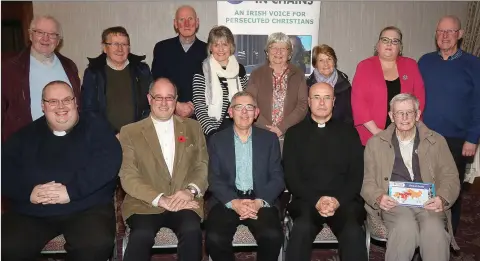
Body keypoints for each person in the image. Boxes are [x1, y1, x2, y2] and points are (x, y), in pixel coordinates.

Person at [1, 81, 122, 261]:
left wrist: (70, 191)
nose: (61, 107)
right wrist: (28, 192)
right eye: (53, 102)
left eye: (66, 100)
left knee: (95, 244)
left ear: (75, 102)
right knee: (7, 245)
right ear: (43, 105)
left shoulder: (97, 127)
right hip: (32, 212)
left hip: (86, 208)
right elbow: (4, 170)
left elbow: (109, 162)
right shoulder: (24, 136)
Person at [361, 93, 460, 260]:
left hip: (428, 203)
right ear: (391, 116)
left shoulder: (436, 141)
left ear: (418, 114)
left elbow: (450, 176)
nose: (405, 117)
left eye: (409, 112)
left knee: (434, 232)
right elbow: (367, 180)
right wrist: (379, 197)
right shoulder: (376, 143)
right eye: (399, 113)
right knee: (404, 229)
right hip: (394, 204)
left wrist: (442, 198)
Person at [119, 78, 208, 261]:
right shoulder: (130, 132)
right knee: (141, 235)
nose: (164, 103)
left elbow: (202, 165)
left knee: (192, 231)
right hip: (145, 203)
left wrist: (190, 190)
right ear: (149, 99)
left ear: (176, 100)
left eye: (169, 97)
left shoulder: (193, 127)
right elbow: (128, 176)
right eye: (158, 97)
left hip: (184, 200)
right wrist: (161, 199)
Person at [283, 82, 367, 261]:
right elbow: (292, 177)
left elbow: (356, 176)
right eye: (317, 97)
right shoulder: (294, 134)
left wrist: (337, 200)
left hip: (343, 200)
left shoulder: (349, 133)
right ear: (308, 101)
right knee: (302, 228)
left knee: (352, 231)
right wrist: (316, 200)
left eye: (327, 97)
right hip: (306, 200)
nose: (322, 102)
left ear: (334, 101)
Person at [418, 15, 480, 235]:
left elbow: (478, 103)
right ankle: (425, 232)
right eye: (440, 31)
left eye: (450, 31)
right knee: (425, 185)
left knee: (451, 189)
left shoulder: (474, 64)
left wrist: (472, 138)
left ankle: (448, 234)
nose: (444, 36)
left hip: (458, 139)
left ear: (460, 35)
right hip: (426, 137)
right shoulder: (425, 61)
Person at [206, 91, 284, 261]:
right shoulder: (216, 140)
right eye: (238, 107)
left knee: (272, 235)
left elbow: (278, 177)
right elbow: (214, 178)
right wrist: (234, 202)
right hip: (226, 200)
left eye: (249, 108)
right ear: (230, 112)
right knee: (214, 238)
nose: (244, 112)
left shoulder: (269, 139)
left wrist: (258, 202)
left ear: (256, 113)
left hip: (260, 199)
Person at [1, 15, 81, 141]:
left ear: (58, 40)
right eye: (40, 32)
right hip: (26, 141)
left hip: (67, 140)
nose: (45, 38)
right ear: (30, 35)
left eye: (52, 34)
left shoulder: (69, 66)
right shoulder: (9, 69)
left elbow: (77, 104)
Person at [351, 26, 425, 146]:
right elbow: (359, 103)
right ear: (378, 45)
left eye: (395, 41)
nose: (389, 44)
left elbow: (419, 100)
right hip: (372, 135)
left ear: (400, 47)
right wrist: (377, 132)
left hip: (405, 135)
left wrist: (407, 129)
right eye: (385, 40)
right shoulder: (364, 67)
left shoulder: (411, 65)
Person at [81, 26, 152, 134]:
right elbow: (89, 110)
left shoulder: (142, 71)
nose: (120, 49)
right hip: (105, 137)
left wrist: (135, 132)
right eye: (115, 44)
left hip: (138, 135)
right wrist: (111, 134)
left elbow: (151, 104)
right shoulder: (93, 73)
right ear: (104, 48)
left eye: (124, 44)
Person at [246, 32, 308, 140]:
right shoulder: (256, 74)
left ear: (289, 53)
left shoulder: (298, 74)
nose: (278, 52)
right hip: (262, 133)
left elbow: (302, 105)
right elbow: (250, 103)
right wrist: (268, 129)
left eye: (283, 48)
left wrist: (282, 128)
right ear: (267, 52)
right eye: (274, 47)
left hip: (290, 134)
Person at [151, 5, 207, 118]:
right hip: (167, 113)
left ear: (197, 22)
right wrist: (176, 105)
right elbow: (155, 82)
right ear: (176, 24)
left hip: (201, 117)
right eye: (182, 20)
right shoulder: (162, 48)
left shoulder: (209, 51)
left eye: (190, 19)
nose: (186, 24)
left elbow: (212, 87)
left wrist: (195, 107)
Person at [192, 26, 248, 138]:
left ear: (231, 46)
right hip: (212, 131)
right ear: (210, 48)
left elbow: (245, 100)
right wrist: (212, 132)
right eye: (216, 45)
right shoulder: (202, 69)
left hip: (239, 129)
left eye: (225, 44)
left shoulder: (240, 69)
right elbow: (199, 105)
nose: (221, 49)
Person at [307, 44, 352, 124]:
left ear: (334, 61)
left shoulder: (345, 85)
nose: (326, 64)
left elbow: (349, 115)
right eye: (321, 60)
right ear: (315, 64)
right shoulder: (307, 85)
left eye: (329, 59)